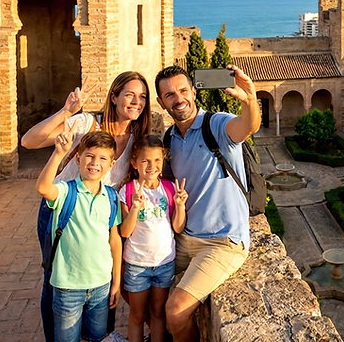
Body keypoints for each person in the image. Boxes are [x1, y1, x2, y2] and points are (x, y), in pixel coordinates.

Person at [22, 71, 150, 342]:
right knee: (53, 280)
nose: (136, 102)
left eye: (142, 97)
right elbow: (29, 141)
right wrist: (65, 112)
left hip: (100, 215)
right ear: (114, 96)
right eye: (129, 94)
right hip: (62, 212)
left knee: (102, 284)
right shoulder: (86, 123)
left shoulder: (138, 136)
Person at [154, 65, 260, 342]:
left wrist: (249, 99)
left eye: (183, 90)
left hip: (222, 242)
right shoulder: (169, 139)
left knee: (175, 312)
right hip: (185, 239)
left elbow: (247, 126)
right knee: (133, 278)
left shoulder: (216, 125)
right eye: (169, 95)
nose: (178, 99)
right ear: (160, 102)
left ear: (193, 90)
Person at [35, 130, 123, 342]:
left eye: (103, 158)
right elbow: (43, 188)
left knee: (96, 338)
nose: (95, 163)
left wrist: (116, 281)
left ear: (111, 165)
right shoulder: (66, 191)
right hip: (68, 287)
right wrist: (57, 154)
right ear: (78, 158)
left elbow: (115, 241)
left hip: (101, 286)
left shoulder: (111, 197)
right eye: (90, 156)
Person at [118, 135, 188, 342]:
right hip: (137, 264)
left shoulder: (169, 188)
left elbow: (178, 226)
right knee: (137, 315)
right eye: (145, 160)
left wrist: (181, 205)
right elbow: (125, 232)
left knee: (158, 314)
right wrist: (135, 208)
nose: (152, 166)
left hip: (164, 263)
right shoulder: (127, 191)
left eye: (157, 160)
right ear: (134, 163)